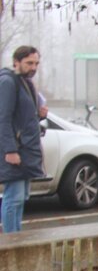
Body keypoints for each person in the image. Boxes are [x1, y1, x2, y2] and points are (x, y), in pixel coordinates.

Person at [0, 45, 47, 233]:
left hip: (27, 150)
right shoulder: (8, 82)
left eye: (36, 63)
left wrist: (40, 114)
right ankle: (11, 243)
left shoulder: (25, 82)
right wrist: (10, 150)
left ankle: (16, 237)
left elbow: (24, 118)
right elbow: (3, 118)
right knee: (14, 198)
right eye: (29, 63)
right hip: (16, 151)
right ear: (16, 62)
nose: (33, 67)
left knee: (21, 198)